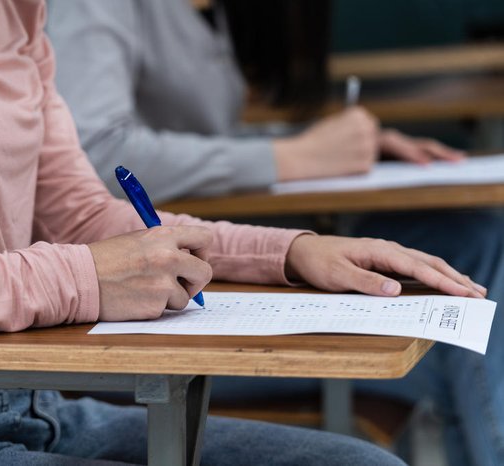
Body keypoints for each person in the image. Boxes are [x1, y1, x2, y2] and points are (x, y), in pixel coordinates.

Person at [0, 1, 486, 465]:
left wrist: (287, 253)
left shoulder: (17, 14)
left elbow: (78, 213)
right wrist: (81, 278)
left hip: (18, 398)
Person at [47, 1, 504, 465]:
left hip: (208, 262)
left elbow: (206, 135)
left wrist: (317, 144)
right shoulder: (93, 7)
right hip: (141, 304)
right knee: (455, 349)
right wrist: (291, 157)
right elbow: (97, 154)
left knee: (471, 245)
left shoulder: (212, 12)